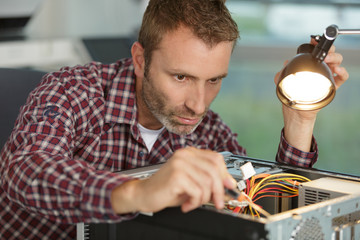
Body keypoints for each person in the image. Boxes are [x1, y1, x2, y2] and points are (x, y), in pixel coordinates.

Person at [0, 0, 348, 239]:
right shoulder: (73, 90)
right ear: (140, 60)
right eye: (181, 77)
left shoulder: (209, 133)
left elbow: (262, 202)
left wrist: (299, 121)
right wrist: (137, 191)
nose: (198, 105)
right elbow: (26, 171)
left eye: (213, 80)